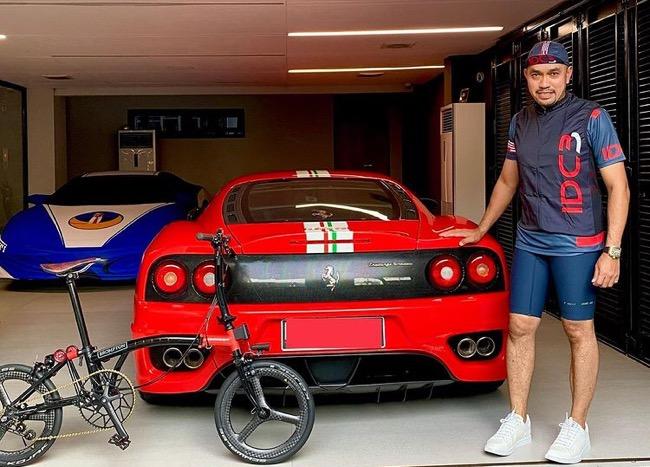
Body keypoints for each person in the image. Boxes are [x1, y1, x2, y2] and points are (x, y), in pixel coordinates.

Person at [441, 40, 630, 464]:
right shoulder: (519, 121)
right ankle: (518, 419)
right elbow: (508, 181)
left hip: (578, 243)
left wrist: (613, 251)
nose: (544, 83)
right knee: (520, 326)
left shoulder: (592, 117)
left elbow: (618, 186)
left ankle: (577, 426)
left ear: (568, 75)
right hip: (531, 239)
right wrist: (481, 228)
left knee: (578, 330)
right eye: (536, 74)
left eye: (553, 74)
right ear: (526, 77)